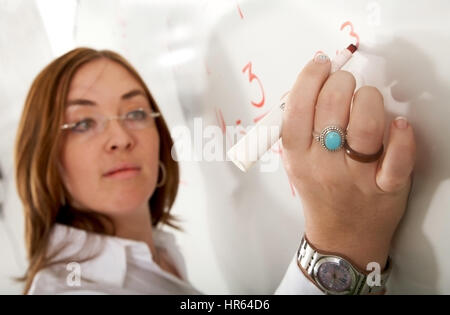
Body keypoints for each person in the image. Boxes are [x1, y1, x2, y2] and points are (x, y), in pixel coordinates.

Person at [14, 48, 416, 295]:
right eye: (83, 123)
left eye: (136, 112)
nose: (120, 136)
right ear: (44, 155)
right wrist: (340, 246)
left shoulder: (161, 250)